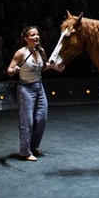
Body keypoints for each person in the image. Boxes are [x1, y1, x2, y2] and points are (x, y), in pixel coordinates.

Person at [6, 26, 64, 161]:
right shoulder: (21, 53)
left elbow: (44, 66)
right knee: (27, 121)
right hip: (25, 88)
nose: (36, 37)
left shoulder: (41, 50)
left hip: (39, 87)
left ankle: (33, 146)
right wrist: (13, 69)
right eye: (33, 35)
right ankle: (25, 152)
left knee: (42, 118)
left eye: (37, 34)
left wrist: (55, 67)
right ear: (26, 38)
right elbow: (8, 70)